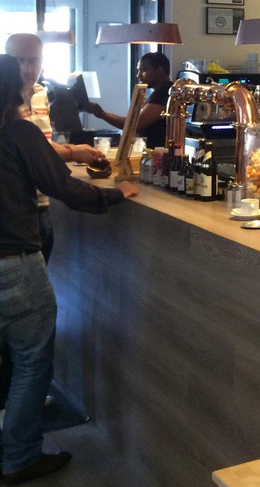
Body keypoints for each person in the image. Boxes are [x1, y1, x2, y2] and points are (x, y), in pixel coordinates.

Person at [0, 55, 137, 484]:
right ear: (14, 91)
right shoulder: (18, 132)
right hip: (14, 262)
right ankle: (19, 457)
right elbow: (61, 186)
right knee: (31, 360)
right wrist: (115, 195)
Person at [4, 34, 106, 262]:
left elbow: (42, 145)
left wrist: (71, 148)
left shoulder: (41, 94)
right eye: (19, 60)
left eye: (34, 60)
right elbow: (31, 154)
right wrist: (72, 152)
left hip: (42, 204)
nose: (27, 69)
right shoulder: (5, 102)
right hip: (15, 212)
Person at [88, 51, 172, 150]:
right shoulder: (159, 91)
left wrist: (102, 114)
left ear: (159, 70)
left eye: (144, 70)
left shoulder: (164, 91)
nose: (138, 75)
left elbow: (136, 124)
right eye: (138, 70)